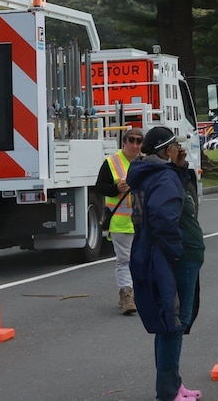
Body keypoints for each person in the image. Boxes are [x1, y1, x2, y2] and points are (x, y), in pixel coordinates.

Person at [130, 126, 206, 401]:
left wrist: (181, 168)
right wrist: (176, 253)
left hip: (164, 255)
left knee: (168, 322)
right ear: (166, 151)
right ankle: (168, 391)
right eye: (175, 146)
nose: (179, 149)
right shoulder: (163, 177)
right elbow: (164, 219)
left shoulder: (157, 174)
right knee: (174, 324)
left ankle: (173, 383)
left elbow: (179, 201)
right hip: (176, 259)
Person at [99, 126, 145, 314]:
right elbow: (100, 187)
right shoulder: (111, 162)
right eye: (131, 140)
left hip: (142, 222)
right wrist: (116, 188)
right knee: (125, 260)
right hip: (120, 221)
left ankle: (137, 294)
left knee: (141, 260)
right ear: (124, 142)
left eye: (139, 141)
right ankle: (127, 295)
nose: (135, 145)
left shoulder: (145, 163)